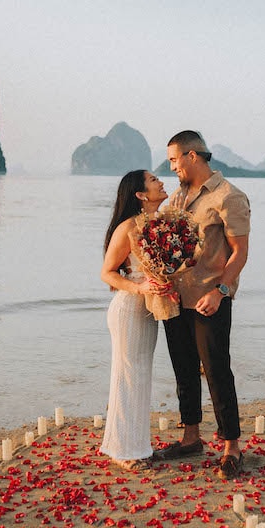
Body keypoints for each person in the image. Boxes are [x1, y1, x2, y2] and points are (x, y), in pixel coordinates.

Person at [159, 130, 251, 479]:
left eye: (174, 160)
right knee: (183, 368)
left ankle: (232, 446)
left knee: (215, 369)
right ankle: (191, 437)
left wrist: (221, 291)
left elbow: (240, 253)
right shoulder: (177, 200)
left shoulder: (230, 197)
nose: (172, 167)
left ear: (192, 156)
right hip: (175, 297)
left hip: (210, 299)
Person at [100, 169, 168, 471]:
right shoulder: (128, 227)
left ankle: (138, 445)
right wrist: (140, 286)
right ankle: (123, 449)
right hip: (128, 307)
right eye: (154, 180)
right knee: (127, 375)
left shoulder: (161, 225)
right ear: (141, 195)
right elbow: (108, 273)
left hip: (149, 309)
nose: (161, 182)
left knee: (141, 375)